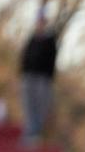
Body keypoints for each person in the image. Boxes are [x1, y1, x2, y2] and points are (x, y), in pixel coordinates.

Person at [19, 11, 58, 143]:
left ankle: (37, 131)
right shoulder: (32, 39)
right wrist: (23, 72)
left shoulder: (49, 41)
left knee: (41, 106)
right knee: (28, 104)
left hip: (42, 78)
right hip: (28, 77)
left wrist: (49, 77)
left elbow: (52, 60)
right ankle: (30, 130)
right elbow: (25, 57)